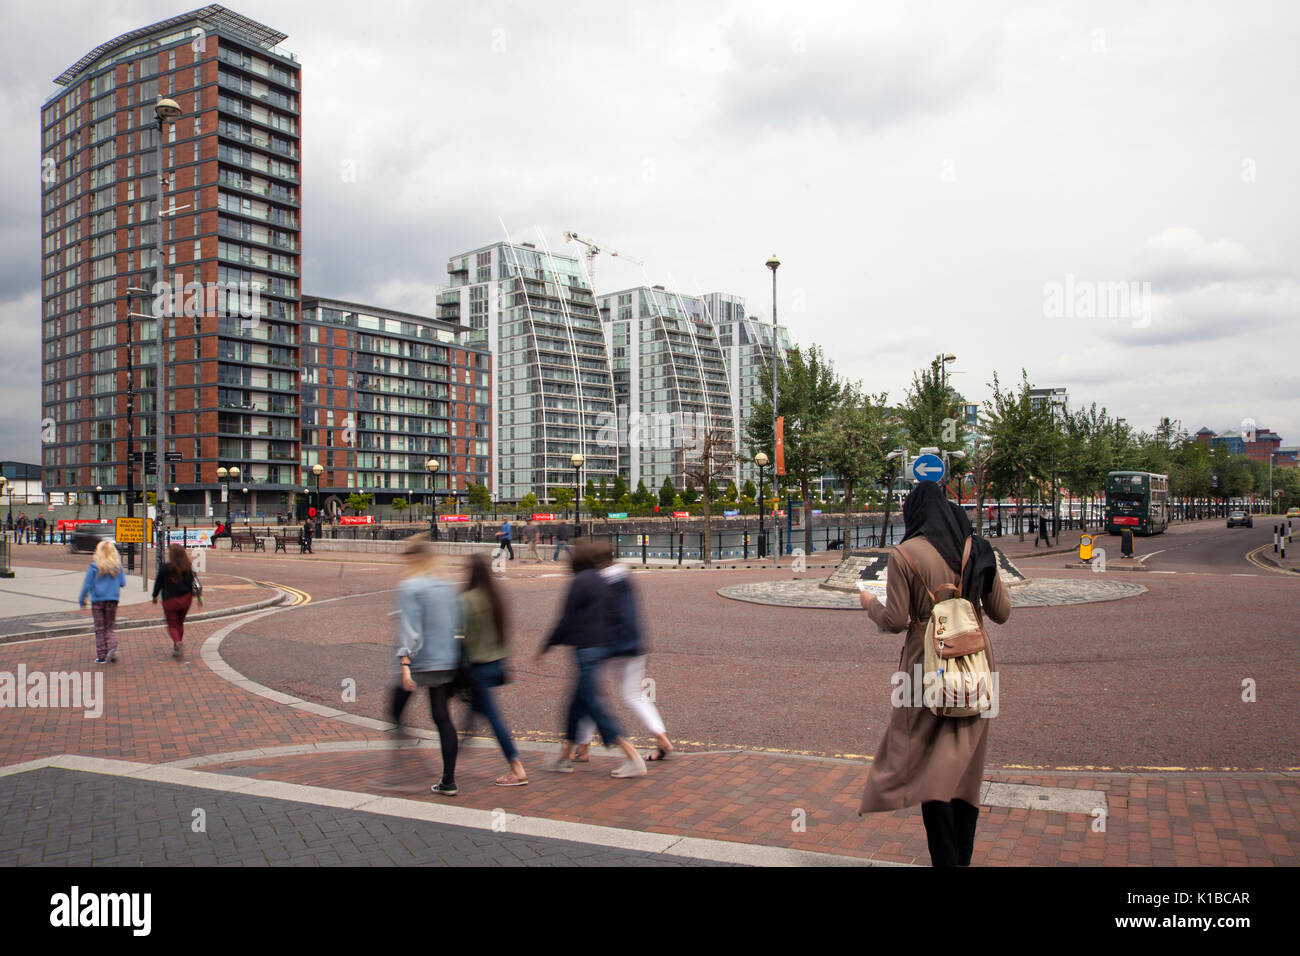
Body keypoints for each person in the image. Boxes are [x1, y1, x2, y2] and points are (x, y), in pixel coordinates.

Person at [857, 482, 1011, 867]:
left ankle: (945, 859)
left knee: (927, 765)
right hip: (976, 664)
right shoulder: (976, 547)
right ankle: (962, 857)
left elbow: (894, 620)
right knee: (967, 770)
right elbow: (1002, 612)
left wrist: (869, 603)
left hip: (926, 668)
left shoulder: (904, 553)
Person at [539, 540, 647, 778]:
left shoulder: (579, 581)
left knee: (594, 705)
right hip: (602, 647)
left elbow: (565, 620)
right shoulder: (601, 580)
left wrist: (546, 645)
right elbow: (615, 614)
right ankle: (565, 756)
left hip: (584, 649)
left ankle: (631, 754)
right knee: (576, 703)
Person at [573, 554, 674, 764]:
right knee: (634, 695)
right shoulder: (625, 578)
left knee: (592, 694)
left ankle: (583, 747)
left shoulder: (596, 582)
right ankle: (661, 736)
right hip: (635, 643)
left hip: (607, 645)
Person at [392, 536, 461, 796]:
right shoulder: (445, 584)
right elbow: (455, 622)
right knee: (442, 717)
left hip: (421, 662)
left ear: (414, 558)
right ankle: (448, 780)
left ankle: (409, 767)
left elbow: (410, 629)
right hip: (445, 660)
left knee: (396, 712)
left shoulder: (410, 586)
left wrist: (405, 664)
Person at [461, 553, 528, 786]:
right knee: (479, 707)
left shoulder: (467, 599)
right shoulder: (495, 596)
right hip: (497, 662)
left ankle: (516, 766)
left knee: (494, 717)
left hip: (478, 665)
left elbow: (460, 636)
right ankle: (466, 734)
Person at [78, 539, 127, 665]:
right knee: (109, 628)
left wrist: (82, 599)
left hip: (97, 601)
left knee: (99, 629)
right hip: (113, 600)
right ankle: (112, 648)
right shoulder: (118, 567)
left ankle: (101, 657)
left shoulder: (94, 567)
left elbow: (87, 585)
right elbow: (122, 583)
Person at [152, 543, 200, 659]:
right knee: (180, 622)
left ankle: (177, 642)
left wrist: (154, 596)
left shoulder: (165, 568)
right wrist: (199, 597)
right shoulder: (188, 567)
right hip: (186, 599)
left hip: (170, 600)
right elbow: (193, 583)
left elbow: (158, 583)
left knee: (172, 624)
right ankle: (176, 646)